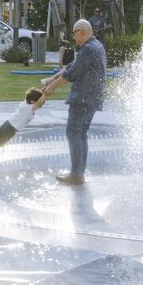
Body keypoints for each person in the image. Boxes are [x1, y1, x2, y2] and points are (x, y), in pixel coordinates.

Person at [42, 18, 106, 185]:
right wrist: (53, 78)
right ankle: (78, 173)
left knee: (74, 133)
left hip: (83, 98)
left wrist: (52, 87)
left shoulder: (89, 49)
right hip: (90, 97)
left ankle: (77, 175)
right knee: (80, 134)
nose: (74, 37)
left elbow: (72, 74)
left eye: (75, 33)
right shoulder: (94, 46)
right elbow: (72, 65)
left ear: (82, 32)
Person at [0, 87, 48, 163]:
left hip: (8, 123)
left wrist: (44, 89)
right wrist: (46, 92)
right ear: (33, 102)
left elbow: (36, 97)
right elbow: (39, 101)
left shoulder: (26, 103)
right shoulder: (29, 108)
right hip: (11, 129)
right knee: (1, 143)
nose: (40, 107)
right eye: (40, 105)